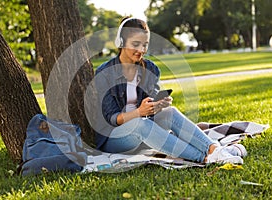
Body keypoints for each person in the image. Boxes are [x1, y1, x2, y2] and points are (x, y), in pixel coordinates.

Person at [92, 17, 246, 164]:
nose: (141, 50)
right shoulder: (104, 73)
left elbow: (151, 106)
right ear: (121, 42)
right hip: (113, 137)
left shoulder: (151, 69)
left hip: (144, 128)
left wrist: (158, 104)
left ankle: (214, 150)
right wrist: (139, 112)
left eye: (145, 45)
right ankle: (204, 158)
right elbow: (112, 118)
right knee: (140, 124)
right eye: (136, 44)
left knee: (170, 112)